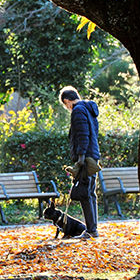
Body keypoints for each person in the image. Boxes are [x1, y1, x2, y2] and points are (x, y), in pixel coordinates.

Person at [59, 86, 100, 238]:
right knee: (90, 192)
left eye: (65, 105)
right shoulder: (89, 109)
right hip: (93, 155)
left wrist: (80, 156)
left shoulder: (78, 110)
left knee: (84, 193)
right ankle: (92, 228)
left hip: (86, 156)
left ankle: (91, 230)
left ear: (67, 101)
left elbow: (83, 134)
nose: (67, 108)